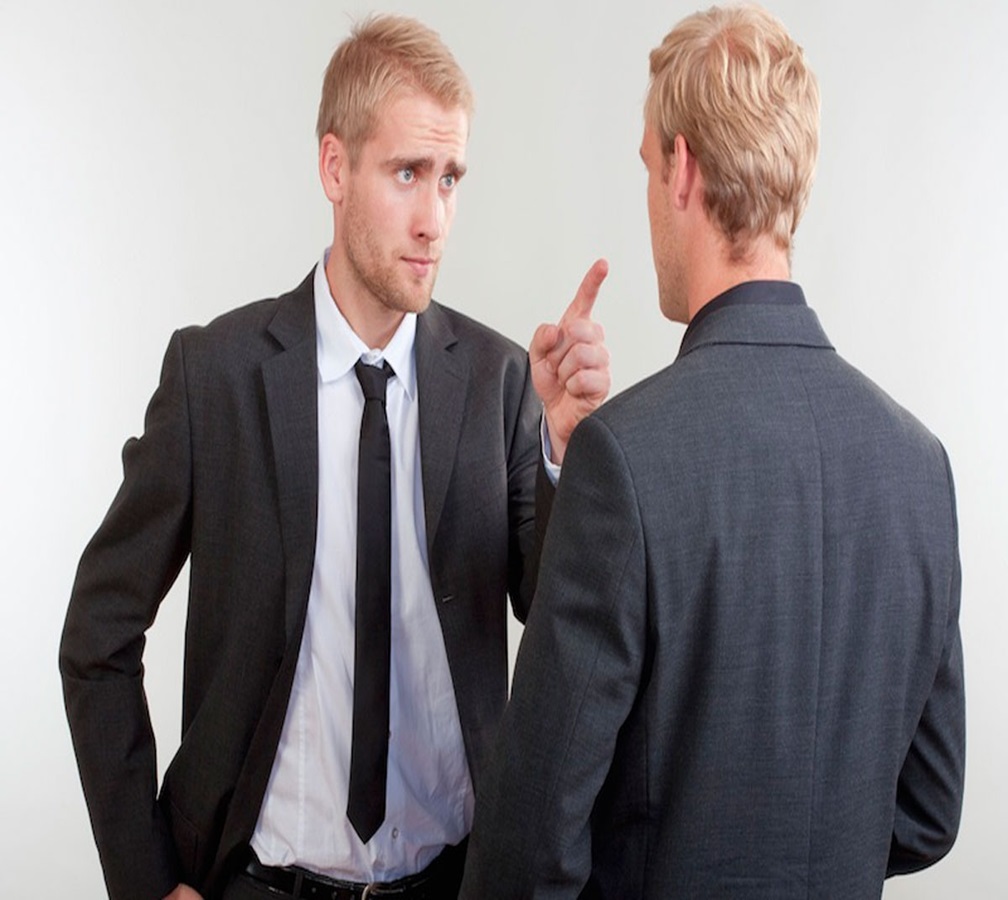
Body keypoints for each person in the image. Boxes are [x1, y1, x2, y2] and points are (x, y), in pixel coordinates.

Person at [59, 14, 610, 900]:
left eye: (450, 178)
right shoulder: (215, 377)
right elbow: (97, 633)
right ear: (334, 168)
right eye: (407, 173)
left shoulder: (502, 383)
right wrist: (147, 879)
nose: (434, 219)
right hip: (257, 881)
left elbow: (558, 625)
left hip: (454, 881)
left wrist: (561, 450)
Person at [459, 5, 965, 898]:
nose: (651, 195)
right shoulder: (921, 467)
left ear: (683, 168)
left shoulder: (625, 459)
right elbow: (928, 809)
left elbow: (527, 849)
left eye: (649, 167)